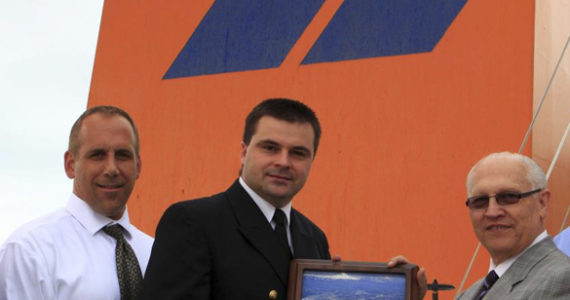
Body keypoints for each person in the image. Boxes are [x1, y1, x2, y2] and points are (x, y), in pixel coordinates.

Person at [142, 98, 426, 300]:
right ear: (244, 152)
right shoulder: (194, 222)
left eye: (298, 153)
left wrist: (393, 289)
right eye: (270, 147)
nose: (283, 162)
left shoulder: (313, 238)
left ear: (312, 160)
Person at [0, 106, 153, 300]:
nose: (112, 168)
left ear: (138, 167)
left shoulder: (156, 252)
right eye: (97, 155)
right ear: (70, 165)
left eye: (122, 155)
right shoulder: (29, 250)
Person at [457, 152, 570, 299]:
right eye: (480, 200)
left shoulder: (561, 280)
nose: (492, 212)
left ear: (542, 203)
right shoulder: (469, 294)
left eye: (509, 197)